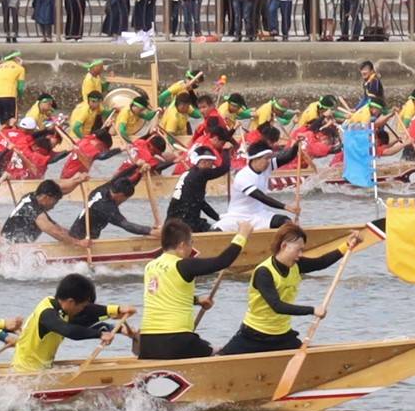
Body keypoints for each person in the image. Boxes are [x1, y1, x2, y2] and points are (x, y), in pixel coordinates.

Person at [218, 224, 361, 355]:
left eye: (302, 250)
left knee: (307, 361)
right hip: (254, 334)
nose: (300, 255)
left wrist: (346, 245)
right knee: (220, 360)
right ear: (284, 246)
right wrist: (312, 310)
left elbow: (321, 262)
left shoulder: (297, 265)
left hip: (282, 336)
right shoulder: (264, 272)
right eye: (298, 250)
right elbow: (277, 306)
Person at [138, 218, 251, 359]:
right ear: (181, 245)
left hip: (147, 343)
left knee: (204, 345)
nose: (191, 248)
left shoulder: (150, 266)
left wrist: (197, 300)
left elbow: (165, 295)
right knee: (222, 352)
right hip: (177, 340)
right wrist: (242, 235)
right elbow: (222, 262)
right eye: (191, 243)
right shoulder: (183, 265)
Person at [11, 274, 135, 372]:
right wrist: (100, 335)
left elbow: (88, 311)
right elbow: (68, 330)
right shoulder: (47, 314)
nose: (82, 310)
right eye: (82, 306)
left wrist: (117, 310)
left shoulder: (58, 305)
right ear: (71, 302)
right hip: (26, 373)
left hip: (43, 369)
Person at [212, 139, 301, 231]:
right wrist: (286, 207)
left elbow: (287, 157)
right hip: (238, 216)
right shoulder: (243, 176)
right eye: (266, 158)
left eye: (270, 158)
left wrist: (295, 146)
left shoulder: (267, 166)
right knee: (216, 231)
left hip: (259, 215)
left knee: (286, 222)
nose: (269, 161)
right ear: (255, 159)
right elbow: (261, 197)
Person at [1, 178, 91, 247]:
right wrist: (78, 243)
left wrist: (77, 181)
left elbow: (57, 227)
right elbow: (54, 231)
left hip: (15, 246)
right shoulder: (32, 209)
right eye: (54, 202)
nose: (53, 207)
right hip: (10, 248)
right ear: (46, 198)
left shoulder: (32, 196)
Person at [68, 178, 155, 240]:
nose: (122, 202)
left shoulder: (104, 189)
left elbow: (123, 176)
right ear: (121, 196)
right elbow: (126, 225)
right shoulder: (106, 207)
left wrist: (139, 170)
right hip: (81, 240)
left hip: (78, 233)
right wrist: (151, 231)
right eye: (125, 199)